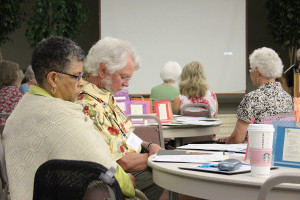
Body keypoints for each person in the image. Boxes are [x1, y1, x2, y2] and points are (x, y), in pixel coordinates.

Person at [3, 36, 136, 200]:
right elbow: (109, 171)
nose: (81, 83)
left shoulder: (19, 111)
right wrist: (130, 183)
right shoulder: (68, 117)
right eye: (77, 76)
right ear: (53, 78)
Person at [76, 37, 163, 200]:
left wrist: (148, 145)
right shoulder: (88, 104)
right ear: (103, 71)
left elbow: (126, 136)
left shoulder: (104, 95)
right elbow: (122, 162)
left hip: (139, 164)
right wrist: (156, 157)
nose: (127, 84)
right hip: (123, 175)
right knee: (184, 186)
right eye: (124, 77)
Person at [218, 47, 293, 144]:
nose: (250, 72)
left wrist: (226, 144)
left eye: (251, 69)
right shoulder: (287, 97)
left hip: (256, 153)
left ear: (257, 72)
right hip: (277, 153)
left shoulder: (252, 98)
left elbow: (237, 139)